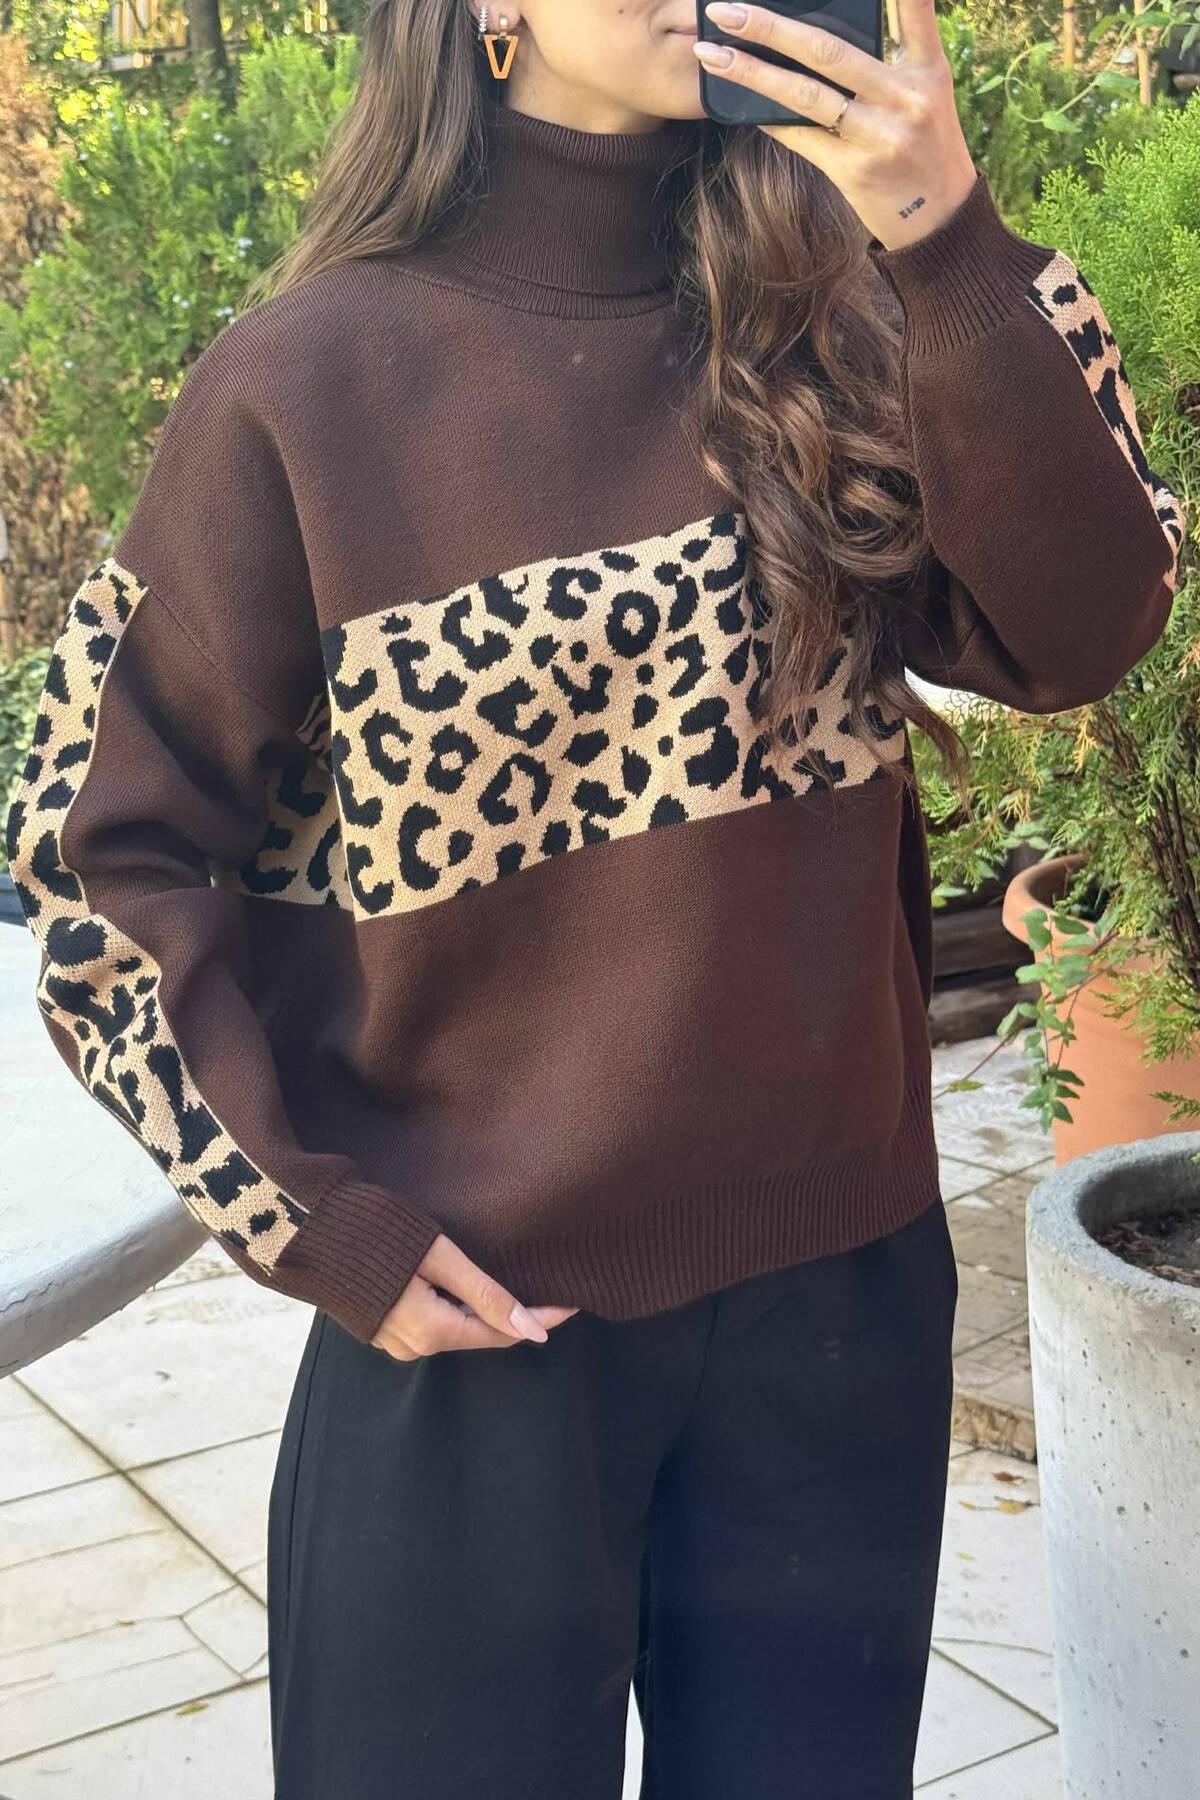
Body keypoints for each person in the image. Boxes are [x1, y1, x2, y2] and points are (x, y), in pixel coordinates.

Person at [5, 0, 1186, 1794]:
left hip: (837, 1314)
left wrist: (947, 235)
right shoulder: (306, 384)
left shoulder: (845, 320)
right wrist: (309, 1218)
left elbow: (1092, 626)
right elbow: (94, 854)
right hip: (473, 1341)